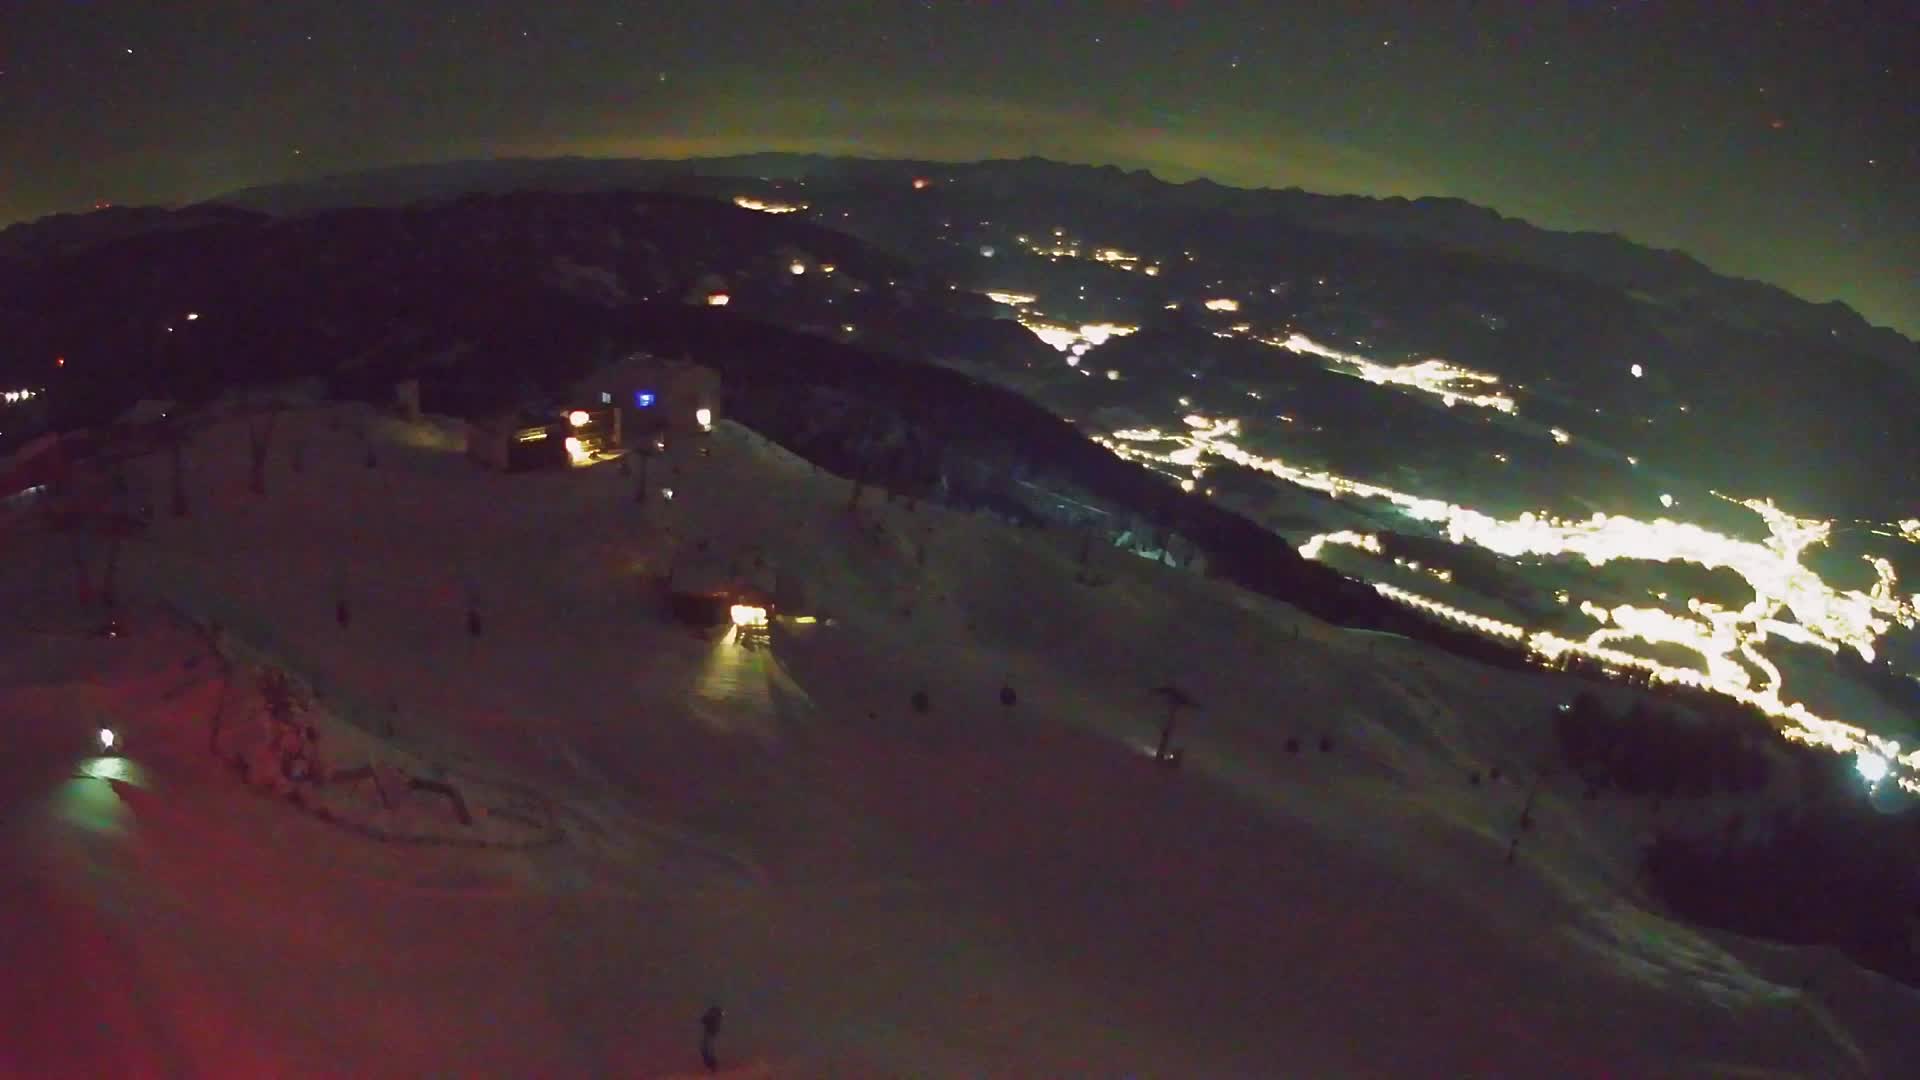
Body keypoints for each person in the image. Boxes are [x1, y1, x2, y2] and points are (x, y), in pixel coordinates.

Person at [700, 1005, 724, 1073]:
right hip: (709, 1035)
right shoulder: (714, 1017)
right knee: (706, 1050)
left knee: (707, 1050)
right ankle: (712, 1067)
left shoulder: (714, 1018)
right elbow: (703, 1020)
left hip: (710, 1035)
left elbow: (703, 1020)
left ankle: (713, 1067)